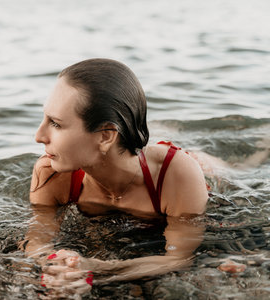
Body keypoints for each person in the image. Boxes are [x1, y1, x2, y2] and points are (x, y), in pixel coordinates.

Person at [23, 58, 209, 297]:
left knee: (219, 164)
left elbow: (179, 258)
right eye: (44, 119)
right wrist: (59, 266)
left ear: (105, 136)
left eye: (56, 124)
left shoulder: (176, 175)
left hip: (191, 174)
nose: (39, 136)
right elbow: (36, 242)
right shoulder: (50, 172)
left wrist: (97, 270)